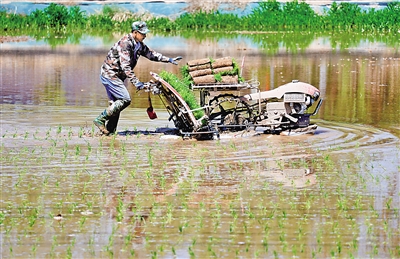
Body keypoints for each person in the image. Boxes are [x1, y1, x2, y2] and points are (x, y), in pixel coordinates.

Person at [93, 21, 182, 135]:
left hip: (118, 76)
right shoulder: (125, 43)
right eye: (142, 33)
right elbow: (126, 67)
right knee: (125, 99)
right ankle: (100, 119)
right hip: (110, 75)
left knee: (117, 103)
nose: (145, 36)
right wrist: (137, 82)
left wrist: (168, 59)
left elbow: (151, 54)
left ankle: (109, 132)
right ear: (135, 32)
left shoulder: (138, 44)